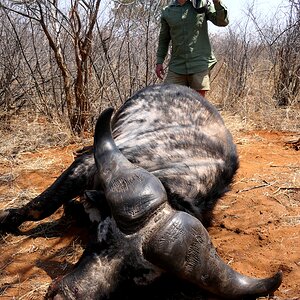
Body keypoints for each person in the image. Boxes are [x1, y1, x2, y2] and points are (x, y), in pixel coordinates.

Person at [155, 0, 229, 97]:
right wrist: (159, 61)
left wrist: (217, 3)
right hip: (177, 65)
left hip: (200, 63)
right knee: (168, 98)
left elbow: (222, 22)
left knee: (198, 104)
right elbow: (164, 38)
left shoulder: (202, 4)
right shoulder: (167, 11)